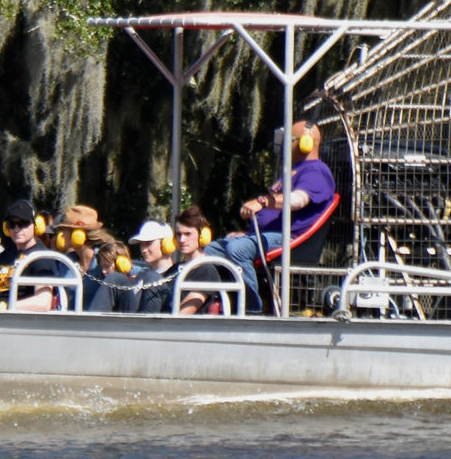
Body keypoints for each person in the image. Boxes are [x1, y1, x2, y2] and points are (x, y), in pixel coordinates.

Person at [203, 119, 339, 313]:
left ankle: (251, 309)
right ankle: (212, 302)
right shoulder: (293, 171)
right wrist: (247, 234)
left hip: (288, 238)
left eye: (290, 140)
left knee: (238, 250)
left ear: (305, 143)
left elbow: (298, 200)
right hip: (265, 235)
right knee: (211, 250)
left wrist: (262, 202)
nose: (285, 145)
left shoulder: (316, 171)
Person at [0, 199, 70, 311]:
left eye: (23, 223)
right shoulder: (4, 256)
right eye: (12, 224)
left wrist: (4, 306)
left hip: (19, 321)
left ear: (36, 225)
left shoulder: (41, 257)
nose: (17, 229)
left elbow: (43, 302)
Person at [114, 220, 177, 314]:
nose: (143, 250)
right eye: (142, 244)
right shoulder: (140, 275)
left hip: (153, 327)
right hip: (128, 324)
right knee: (114, 277)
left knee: (151, 277)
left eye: (148, 243)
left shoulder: (176, 275)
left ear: (166, 243)